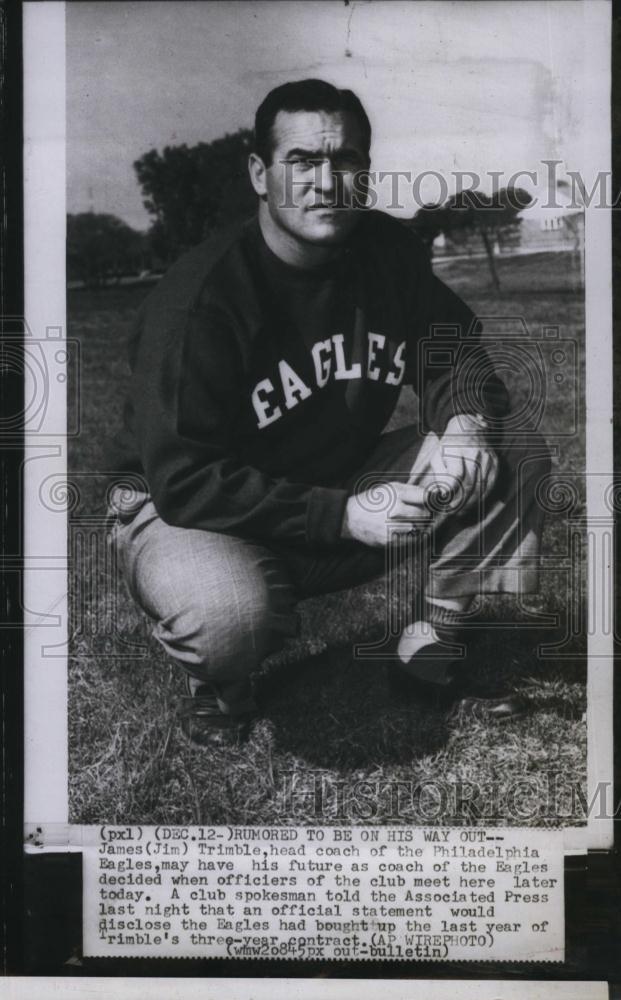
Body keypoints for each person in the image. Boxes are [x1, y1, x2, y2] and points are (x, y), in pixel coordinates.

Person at [109, 79, 551, 747]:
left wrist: (462, 422)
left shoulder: (384, 250)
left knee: (508, 442)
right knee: (226, 614)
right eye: (302, 161)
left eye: (345, 160)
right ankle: (221, 687)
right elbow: (185, 477)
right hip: (184, 509)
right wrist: (340, 515)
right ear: (259, 173)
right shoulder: (203, 299)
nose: (326, 182)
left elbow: (450, 348)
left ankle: (431, 638)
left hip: (324, 479)